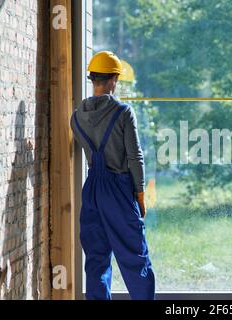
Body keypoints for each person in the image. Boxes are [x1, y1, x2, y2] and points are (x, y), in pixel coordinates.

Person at [70, 51, 155, 300]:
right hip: (118, 191)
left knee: (96, 260)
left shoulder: (75, 119)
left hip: (93, 191)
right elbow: (134, 157)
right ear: (113, 80)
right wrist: (140, 194)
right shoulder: (123, 112)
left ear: (93, 79)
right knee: (134, 258)